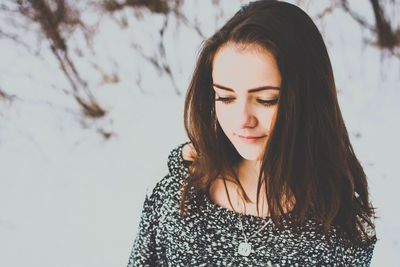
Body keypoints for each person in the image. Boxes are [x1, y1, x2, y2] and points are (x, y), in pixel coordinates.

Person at [126, 0, 378, 266]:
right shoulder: (180, 195)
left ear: (308, 101)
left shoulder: (341, 227)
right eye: (225, 98)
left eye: (266, 99)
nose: (242, 120)